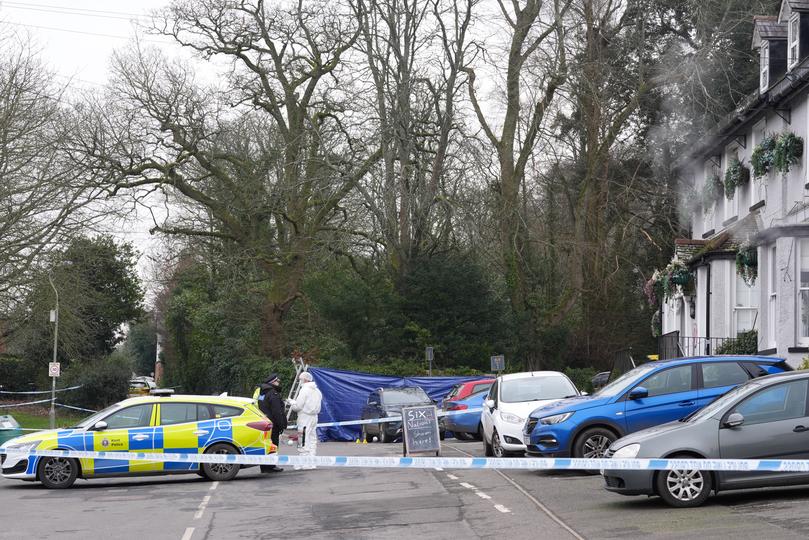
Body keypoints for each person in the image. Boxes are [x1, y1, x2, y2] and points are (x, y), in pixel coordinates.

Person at [286, 371, 322, 470]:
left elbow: (298, 406)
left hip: (305, 417)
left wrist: (292, 403)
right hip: (314, 417)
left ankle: (304, 463)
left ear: (305, 380)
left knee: (303, 440)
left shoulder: (305, 390)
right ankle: (312, 462)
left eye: (300, 379)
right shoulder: (317, 391)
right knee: (312, 439)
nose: (300, 381)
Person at [256, 373, 287, 473]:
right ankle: (271, 466)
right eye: (277, 381)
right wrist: (281, 424)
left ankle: (265, 466)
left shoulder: (262, 392)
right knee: (273, 444)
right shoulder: (273, 393)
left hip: (264, 423)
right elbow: (277, 411)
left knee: (266, 445)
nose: (279, 383)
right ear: (273, 382)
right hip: (273, 424)